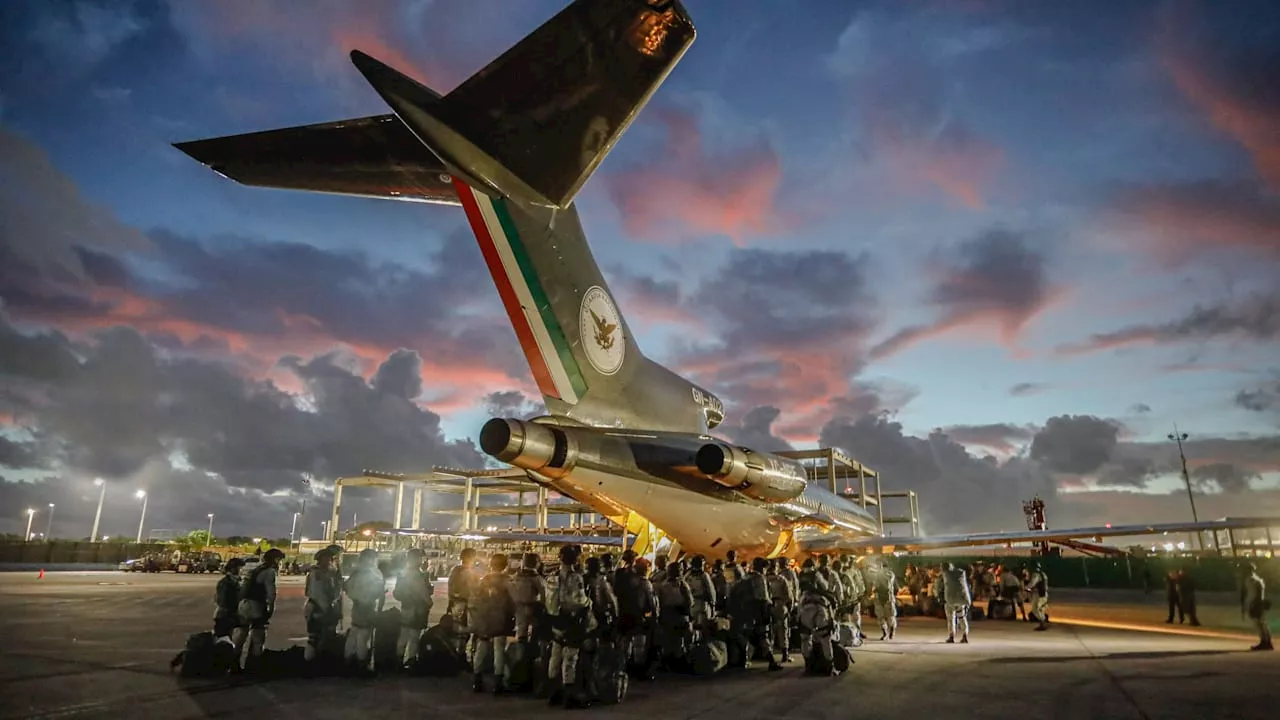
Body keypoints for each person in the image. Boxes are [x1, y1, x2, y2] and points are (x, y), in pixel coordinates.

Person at [549, 545, 594, 709]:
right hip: (570, 619)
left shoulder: (552, 576)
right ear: (575, 559)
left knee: (555, 655)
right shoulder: (575, 578)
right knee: (570, 657)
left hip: (555, 619)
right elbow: (579, 601)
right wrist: (589, 603)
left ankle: (554, 693)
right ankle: (569, 696)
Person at [471, 553, 516, 694]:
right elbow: (514, 602)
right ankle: (498, 683)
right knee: (499, 651)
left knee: (481, 648)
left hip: (485, 619)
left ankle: (477, 680)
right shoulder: (508, 581)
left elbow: (476, 599)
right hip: (502, 620)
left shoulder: (484, 580)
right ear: (505, 565)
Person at [236, 548, 283, 671]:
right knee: (258, 637)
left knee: (242, 634)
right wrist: (271, 608)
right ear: (275, 559)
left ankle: (234, 663)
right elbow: (271, 593)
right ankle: (253, 666)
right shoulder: (270, 572)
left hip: (244, 604)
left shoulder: (257, 569)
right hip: (255, 606)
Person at [344, 549, 386, 675]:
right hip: (367, 607)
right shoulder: (372, 573)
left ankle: (347, 661)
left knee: (354, 634)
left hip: (357, 606)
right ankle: (361, 665)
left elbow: (346, 587)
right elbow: (378, 590)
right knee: (364, 636)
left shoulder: (355, 572)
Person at [394, 548, 433, 668]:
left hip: (406, 607)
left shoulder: (404, 572)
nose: (422, 560)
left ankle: (398, 661)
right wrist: (429, 602)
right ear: (416, 559)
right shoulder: (416, 574)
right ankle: (411, 660)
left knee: (403, 635)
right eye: (420, 558)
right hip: (417, 609)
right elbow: (422, 591)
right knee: (414, 637)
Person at [303, 550, 342, 663]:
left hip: (320, 606)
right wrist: (326, 608)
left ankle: (320, 661)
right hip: (317, 607)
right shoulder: (317, 573)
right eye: (328, 558)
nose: (330, 561)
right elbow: (318, 593)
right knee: (314, 637)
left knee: (326, 636)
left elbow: (335, 590)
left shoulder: (330, 571)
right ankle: (310, 663)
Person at [448, 548, 481, 656]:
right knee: (465, 632)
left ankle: (454, 654)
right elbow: (475, 589)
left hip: (456, 604)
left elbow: (451, 588)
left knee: (457, 631)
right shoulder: (471, 572)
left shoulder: (455, 570)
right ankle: (461, 655)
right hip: (467, 604)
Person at [511, 552, 547, 643]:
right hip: (533, 607)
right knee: (536, 631)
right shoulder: (537, 578)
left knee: (521, 633)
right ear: (536, 563)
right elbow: (544, 594)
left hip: (518, 608)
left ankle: (521, 651)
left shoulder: (516, 576)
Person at [767, 558, 795, 662]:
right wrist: (789, 608)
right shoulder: (781, 579)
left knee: (770, 632)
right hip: (780, 606)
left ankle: (769, 655)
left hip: (769, 606)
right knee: (783, 631)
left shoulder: (764, 579)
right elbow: (789, 595)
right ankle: (785, 654)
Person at [1241, 563, 1273, 651]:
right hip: (1257, 603)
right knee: (1262, 623)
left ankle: (1264, 641)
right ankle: (1267, 642)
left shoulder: (1252, 580)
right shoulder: (1258, 579)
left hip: (1254, 603)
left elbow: (1254, 594)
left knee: (1258, 624)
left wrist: (1253, 604)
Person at [940, 562, 971, 644]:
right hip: (961, 600)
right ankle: (965, 635)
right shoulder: (961, 573)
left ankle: (951, 636)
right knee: (962, 617)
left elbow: (941, 587)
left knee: (951, 619)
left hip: (950, 601)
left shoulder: (945, 575)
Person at [686, 555, 717, 637]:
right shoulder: (704, 576)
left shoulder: (688, 575)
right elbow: (711, 592)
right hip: (702, 606)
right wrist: (713, 605)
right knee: (703, 628)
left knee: (692, 627)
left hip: (691, 606)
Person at [869, 559, 898, 640]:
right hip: (880, 598)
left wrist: (878, 573)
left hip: (887, 598)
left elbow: (886, 584)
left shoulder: (889, 573)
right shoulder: (877, 574)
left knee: (888, 616)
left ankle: (890, 630)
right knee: (882, 616)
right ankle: (885, 632)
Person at [1026, 563, 1049, 631]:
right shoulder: (1043, 574)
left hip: (1038, 594)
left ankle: (1042, 622)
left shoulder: (1036, 574)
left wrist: (1026, 587)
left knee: (1035, 609)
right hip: (1044, 593)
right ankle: (1042, 622)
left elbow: (1032, 583)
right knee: (1040, 609)